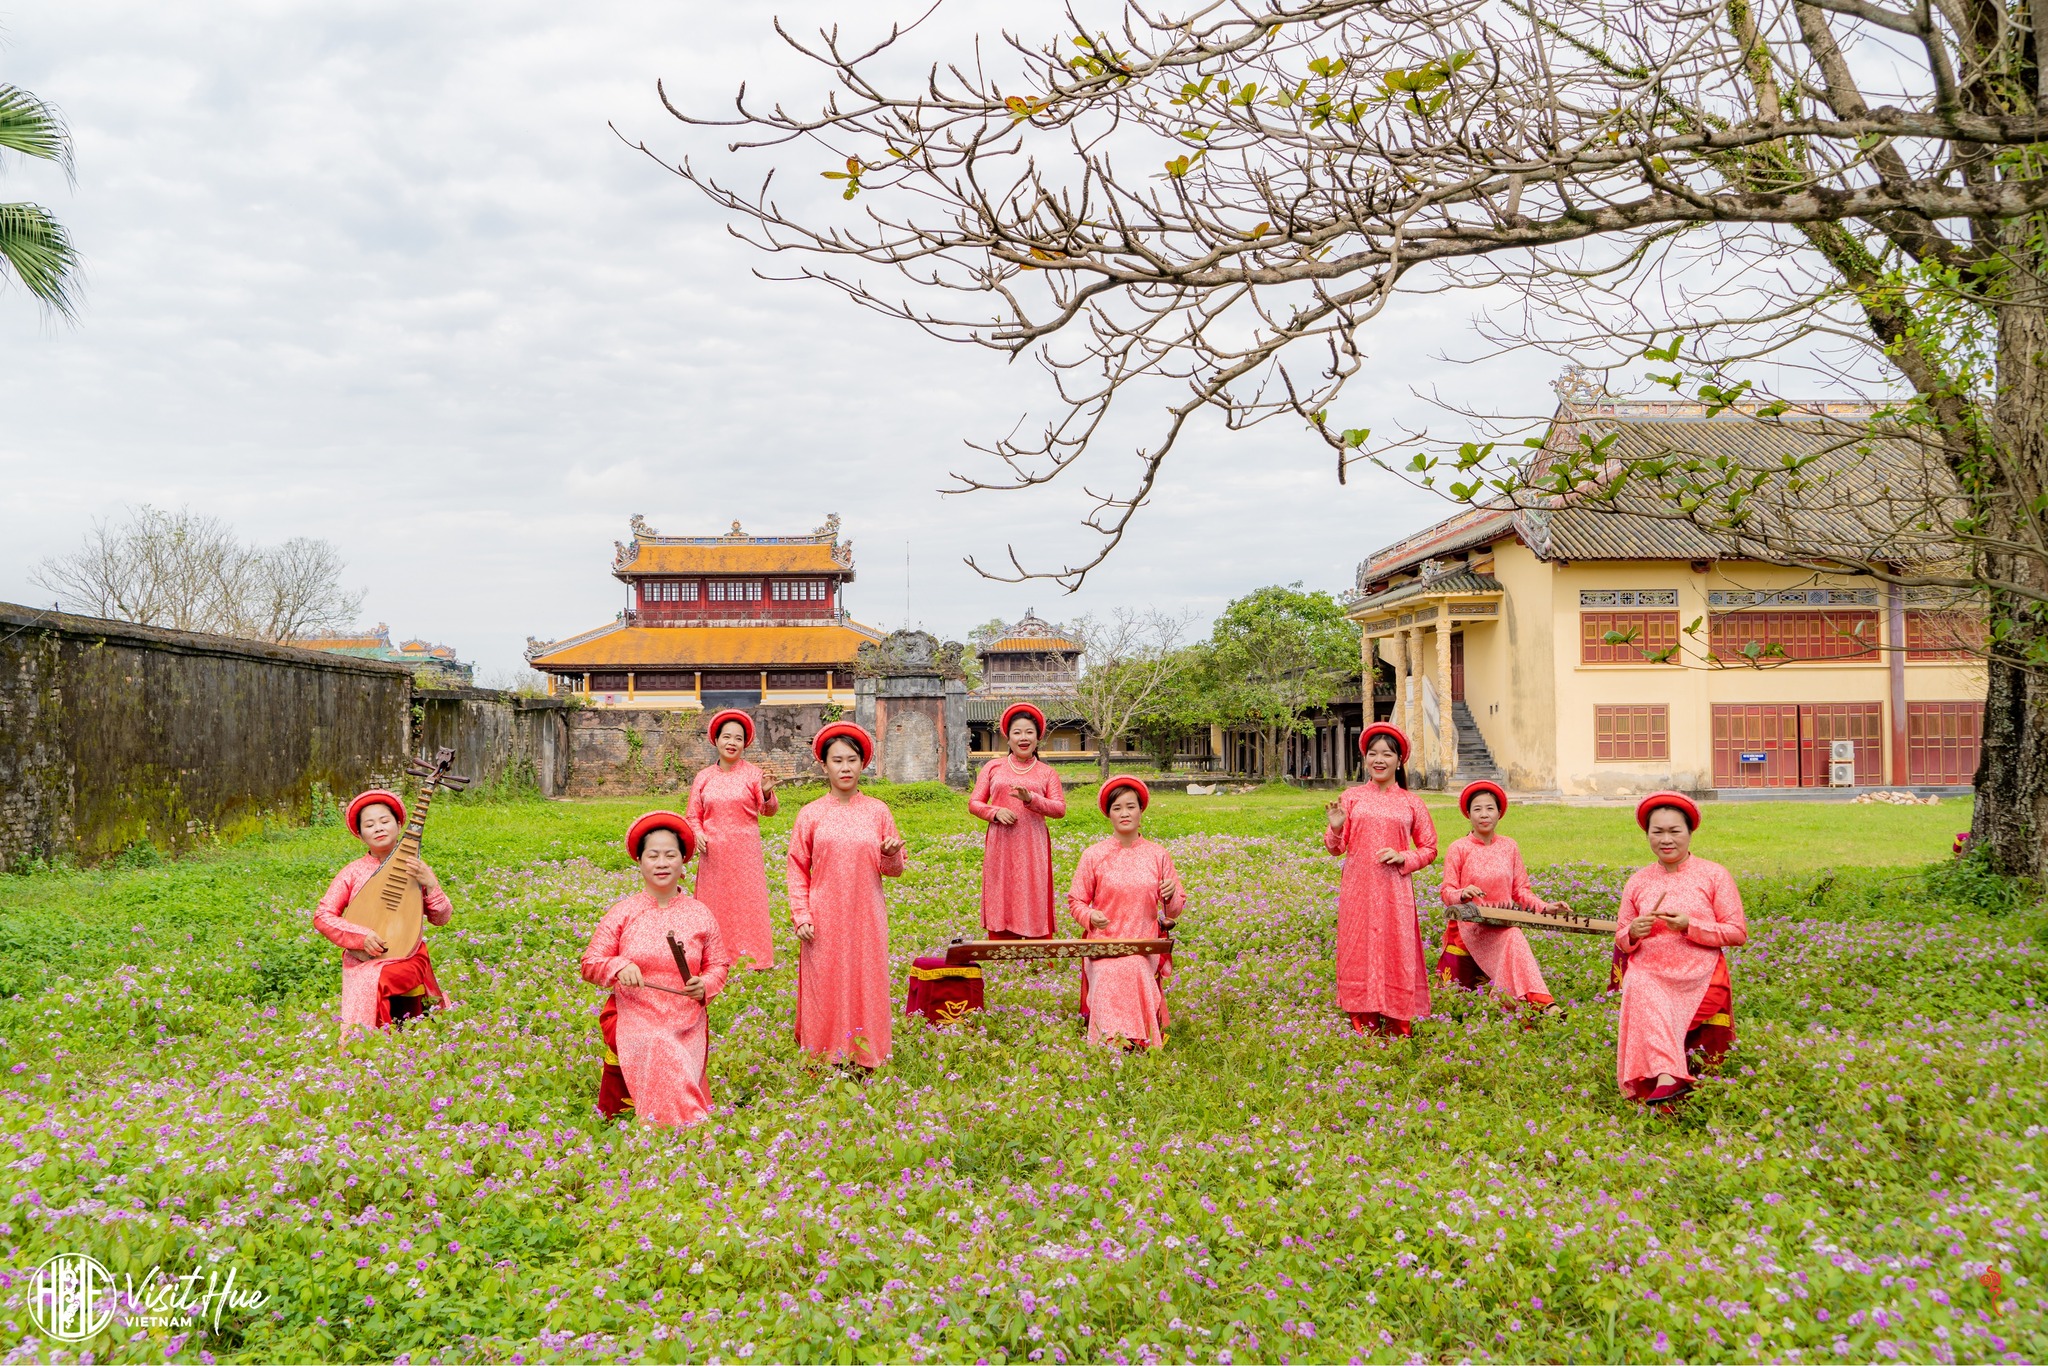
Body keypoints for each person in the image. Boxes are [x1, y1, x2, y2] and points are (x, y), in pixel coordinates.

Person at [580, 812, 733, 1127]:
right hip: (636, 1011)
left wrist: (705, 984)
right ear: (639, 861)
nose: (662, 863)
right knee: (659, 1040)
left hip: (685, 1014)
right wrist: (618, 965)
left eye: (670, 855)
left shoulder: (700, 913)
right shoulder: (623, 913)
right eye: (653, 855)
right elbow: (590, 963)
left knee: (668, 1038)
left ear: (682, 861)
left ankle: (673, 1127)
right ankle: (681, 1126)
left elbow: (718, 964)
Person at [1612, 792, 1748, 1106]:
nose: (1666, 839)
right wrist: (1633, 932)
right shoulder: (1638, 882)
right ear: (1647, 835)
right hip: (1651, 970)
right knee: (1640, 983)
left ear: (1690, 832)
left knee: (1657, 1004)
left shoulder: (1714, 875)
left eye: (1675, 831)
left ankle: (1668, 1076)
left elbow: (1737, 932)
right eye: (1657, 832)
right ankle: (1666, 1077)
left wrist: (1690, 925)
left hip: (1699, 973)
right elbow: (1621, 938)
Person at [787, 722, 906, 1069]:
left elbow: (895, 870)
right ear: (824, 765)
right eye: (837, 760)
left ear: (862, 764)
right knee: (824, 983)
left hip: (867, 913)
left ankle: (867, 1054)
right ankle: (823, 1053)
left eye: (851, 760)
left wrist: (889, 853)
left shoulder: (878, 811)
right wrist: (802, 915)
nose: (845, 768)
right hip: (823, 915)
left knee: (865, 982)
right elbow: (797, 868)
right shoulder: (810, 814)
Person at [312, 789, 454, 1038]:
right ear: (360, 834)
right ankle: (375, 1043)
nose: (378, 828)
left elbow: (441, 918)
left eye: (385, 821)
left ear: (399, 825)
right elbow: (322, 916)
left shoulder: (416, 867)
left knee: (385, 975)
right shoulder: (352, 872)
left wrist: (431, 884)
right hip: (363, 958)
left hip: (408, 955)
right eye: (369, 824)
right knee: (373, 975)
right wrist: (361, 936)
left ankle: (389, 1038)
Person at [1324, 723, 1436, 1037]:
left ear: (1399, 761)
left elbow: (1429, 847)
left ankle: (1398, 1019)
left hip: (1394, 890)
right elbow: (1336, 849)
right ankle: (1364, 1019)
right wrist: (1335, 828)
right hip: (1358, 890)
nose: (1379, 759)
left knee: (1396, 947)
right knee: (1358, 947)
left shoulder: (1412, 803)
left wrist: (1405, 857)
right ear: (1365, 759)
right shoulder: (1351, 798)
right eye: (1372, 753)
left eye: (1387, 754)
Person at [1068, 775, 1186, 1049]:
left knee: (1132, 967)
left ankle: (1139, 1041)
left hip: (1143, 944)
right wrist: (1090, 917)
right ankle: (1109, 1042)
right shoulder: (1093, 855)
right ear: (1108, 813)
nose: (1124, 813)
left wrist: (1170, 896)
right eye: (1117, 808)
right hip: (1103, 945)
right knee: (1110, 972)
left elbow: (1175, 910)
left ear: (1141, 810)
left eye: (1130, 806)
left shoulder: (1158, 855)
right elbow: (1076, 901)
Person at [1436, 780, 1559, 1010]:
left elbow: (1520, 891)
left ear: (1499, 813)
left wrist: (1546, 907)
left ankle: (1539, 1002)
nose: (1484, 814)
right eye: (1478, 809)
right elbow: (1447, 892)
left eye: (1490, 808)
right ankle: (1537, 1004)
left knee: (1514, 934)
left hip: (1502, 923)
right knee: (1514, 937)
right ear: (1468, 814)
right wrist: (1463, 893)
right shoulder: (1459, 848)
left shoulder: (1509, 846)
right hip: (1471, 925)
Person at [685, 708, 780, 970]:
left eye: (738, 738)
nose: (731, 743)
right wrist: (699, 834)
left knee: (747, 907)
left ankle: (754, 959)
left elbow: (768, 811)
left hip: (745, 854)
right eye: (726, 737)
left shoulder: (754, 775)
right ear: (715, 740)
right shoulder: (703, 777)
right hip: (714, 853)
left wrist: (766, 793)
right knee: (714, 905)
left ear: (745, 743)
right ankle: (713, 958)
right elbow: (693, 816)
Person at [968, 702, 1068, 939]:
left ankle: (1036, 952)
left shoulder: (1047, 773)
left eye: (1029, 732)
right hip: (1001, 843)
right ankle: (1001, 945)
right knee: (1002, 888)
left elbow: (1059, 808)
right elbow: (974, 803)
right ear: (1008, 738)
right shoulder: (993, 767)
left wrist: (1031, 799)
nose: (1023, 738)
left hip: (1033, 844)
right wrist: (995, 812)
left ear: (1038, 737)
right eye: (1017, 732)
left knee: (1033, 890)